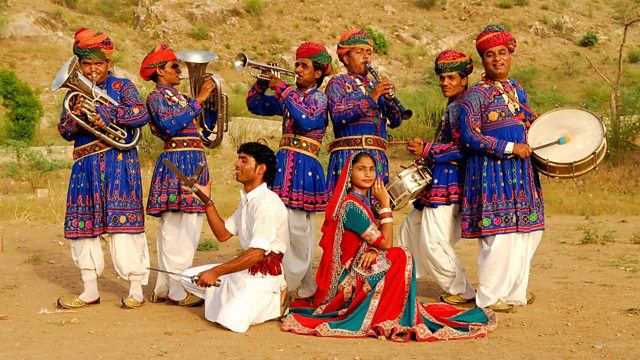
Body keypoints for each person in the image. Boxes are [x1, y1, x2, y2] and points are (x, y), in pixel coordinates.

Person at [281, 152, 496, 341]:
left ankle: (391, 309)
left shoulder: (364, 202)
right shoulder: (351, 206)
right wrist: (385, 206)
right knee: (401, 254)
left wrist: (374, 250)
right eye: (361, 169)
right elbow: (387, 242)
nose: (367, 174)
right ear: (349, 174)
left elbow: (378, 243)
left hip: (358, 266)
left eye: (372, 169)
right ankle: (389, 313)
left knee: (397, 255)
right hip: (345, 281)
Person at [56, 28, 150, 309]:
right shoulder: (73, 94)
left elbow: (141, 114)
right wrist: (80, 116)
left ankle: (135, 290)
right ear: (79, 65)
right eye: (87, 64)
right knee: (82, 227)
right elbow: (64, 129)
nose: (93, 69)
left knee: (125, 227)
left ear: (108, 63)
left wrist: (108, 114)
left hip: (118, 163)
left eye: (99, 63)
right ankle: (89, 291)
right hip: (84, 165)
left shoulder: (123, 87)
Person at [459, 24, 543, 312]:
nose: (497, 59)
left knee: (528, 233)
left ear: (511, 55)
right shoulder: (475, 95)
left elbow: (528, 123)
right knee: (500, 236)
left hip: (521, 173)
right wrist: (510, 148)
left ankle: (513, 293)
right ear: (483, 60)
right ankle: (489, 296)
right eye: (490, 54)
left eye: (503, 53)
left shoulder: (517, 89)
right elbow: (470, 136)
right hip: (490, 173)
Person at [245, 42, 332, 298]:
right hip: (284, 164)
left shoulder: (319, 97)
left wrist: (281, 88)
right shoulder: (290, 96)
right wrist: (261, 83)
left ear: (318, 73)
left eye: (304, 66)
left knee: (299, 230)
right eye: (297, 64)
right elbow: (255, 106)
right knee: (282, 226)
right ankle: (297, 285)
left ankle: (292, 285)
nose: (297, 69)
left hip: (305, 163)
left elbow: (307, 120)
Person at [181, 142, 289, 333]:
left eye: (244, 160)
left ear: (260, 169)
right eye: (238, 159)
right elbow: (223, 234)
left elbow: (257, 254)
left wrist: (216, 271)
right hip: (245, 270)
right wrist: (207, 202)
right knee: (186, 277)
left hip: (263, 276)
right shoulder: (249, 200)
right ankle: (235, 295)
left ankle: (274, 300)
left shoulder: (267, 204)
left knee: (229, 320)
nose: (236, 165)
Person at [139, 44, 216, 307]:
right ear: (159, 71)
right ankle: (175, 287)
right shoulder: (156, 97)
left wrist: (210, 104)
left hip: (193, 159)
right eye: (174, 66)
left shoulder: (180, 97)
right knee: (175, 227)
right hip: (177, 161)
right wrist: (200, 99)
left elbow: (206, 127)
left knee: (190, 226)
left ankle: (167, 286)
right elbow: (170, 124)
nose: (179, 71)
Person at [398, 50, 476, 305]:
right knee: (410, 228)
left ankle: (462, 290)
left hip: (451, 183)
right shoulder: (453, 105)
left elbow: (467, 147)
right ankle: (402, 277)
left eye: (451, 77)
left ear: (464, 79)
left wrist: (429, 149)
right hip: (439, 179)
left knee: (434, 240)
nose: (445, 83)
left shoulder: (466, 105)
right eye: (442, 78)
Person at [325, 29, 403, 193]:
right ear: (346, 58)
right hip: (349, 157)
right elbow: (338, 116)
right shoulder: (337, 82)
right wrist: (372, 98)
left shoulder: (376, 86)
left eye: (368, 52)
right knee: (348, 209)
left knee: (375, 212)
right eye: (359, 52)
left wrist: (390, 102)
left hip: (377, 160)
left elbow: (396, 121)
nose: (366, 57)